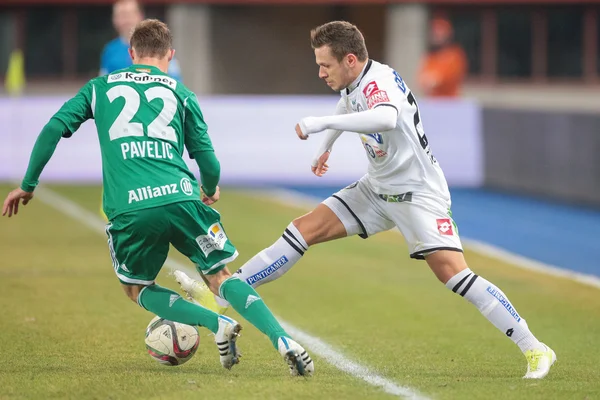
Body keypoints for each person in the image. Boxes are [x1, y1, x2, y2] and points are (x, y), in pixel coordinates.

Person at [173, 20, 556, 380]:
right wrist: (327, 147)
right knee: (302, 230)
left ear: (350, 60)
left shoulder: (379, 84)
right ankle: (222, 294)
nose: (321, 72)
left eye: (325, 65)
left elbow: (386, 118)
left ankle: (536, 348)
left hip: (417, 194)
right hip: (376, 189)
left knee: (453, 274)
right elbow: (347, 102)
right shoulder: (356, 81)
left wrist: (322, 123)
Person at [2, 19, 313, 377]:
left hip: (132, 208)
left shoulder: (99, 88)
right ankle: (283, 340)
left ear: (131, 54)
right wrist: (209, 189)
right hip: (182, 198)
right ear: (170, 54)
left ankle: (216, 324)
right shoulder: (182, 94)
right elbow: (208, 160)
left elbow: (54, 126)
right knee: (221, 276)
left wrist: (28, 183)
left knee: (136, 288)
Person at [98, 0, 182, 221]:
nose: (125, 19)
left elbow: (175, 85)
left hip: (154, 128)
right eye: (120, 15)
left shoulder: (158, 48)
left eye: (129, 14)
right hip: (123, 130)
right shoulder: (110, 51)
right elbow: (102, 87)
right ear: (114, 20)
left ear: (139, 16)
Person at [417, 17, 467, 97]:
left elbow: (448, 78)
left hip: (449, 102)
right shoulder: (431, 56)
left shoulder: (455, 54)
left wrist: (434, 79)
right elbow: (422, 79)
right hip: (432, 102)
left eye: (440, 32)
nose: (436, 35)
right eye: (434, 32)